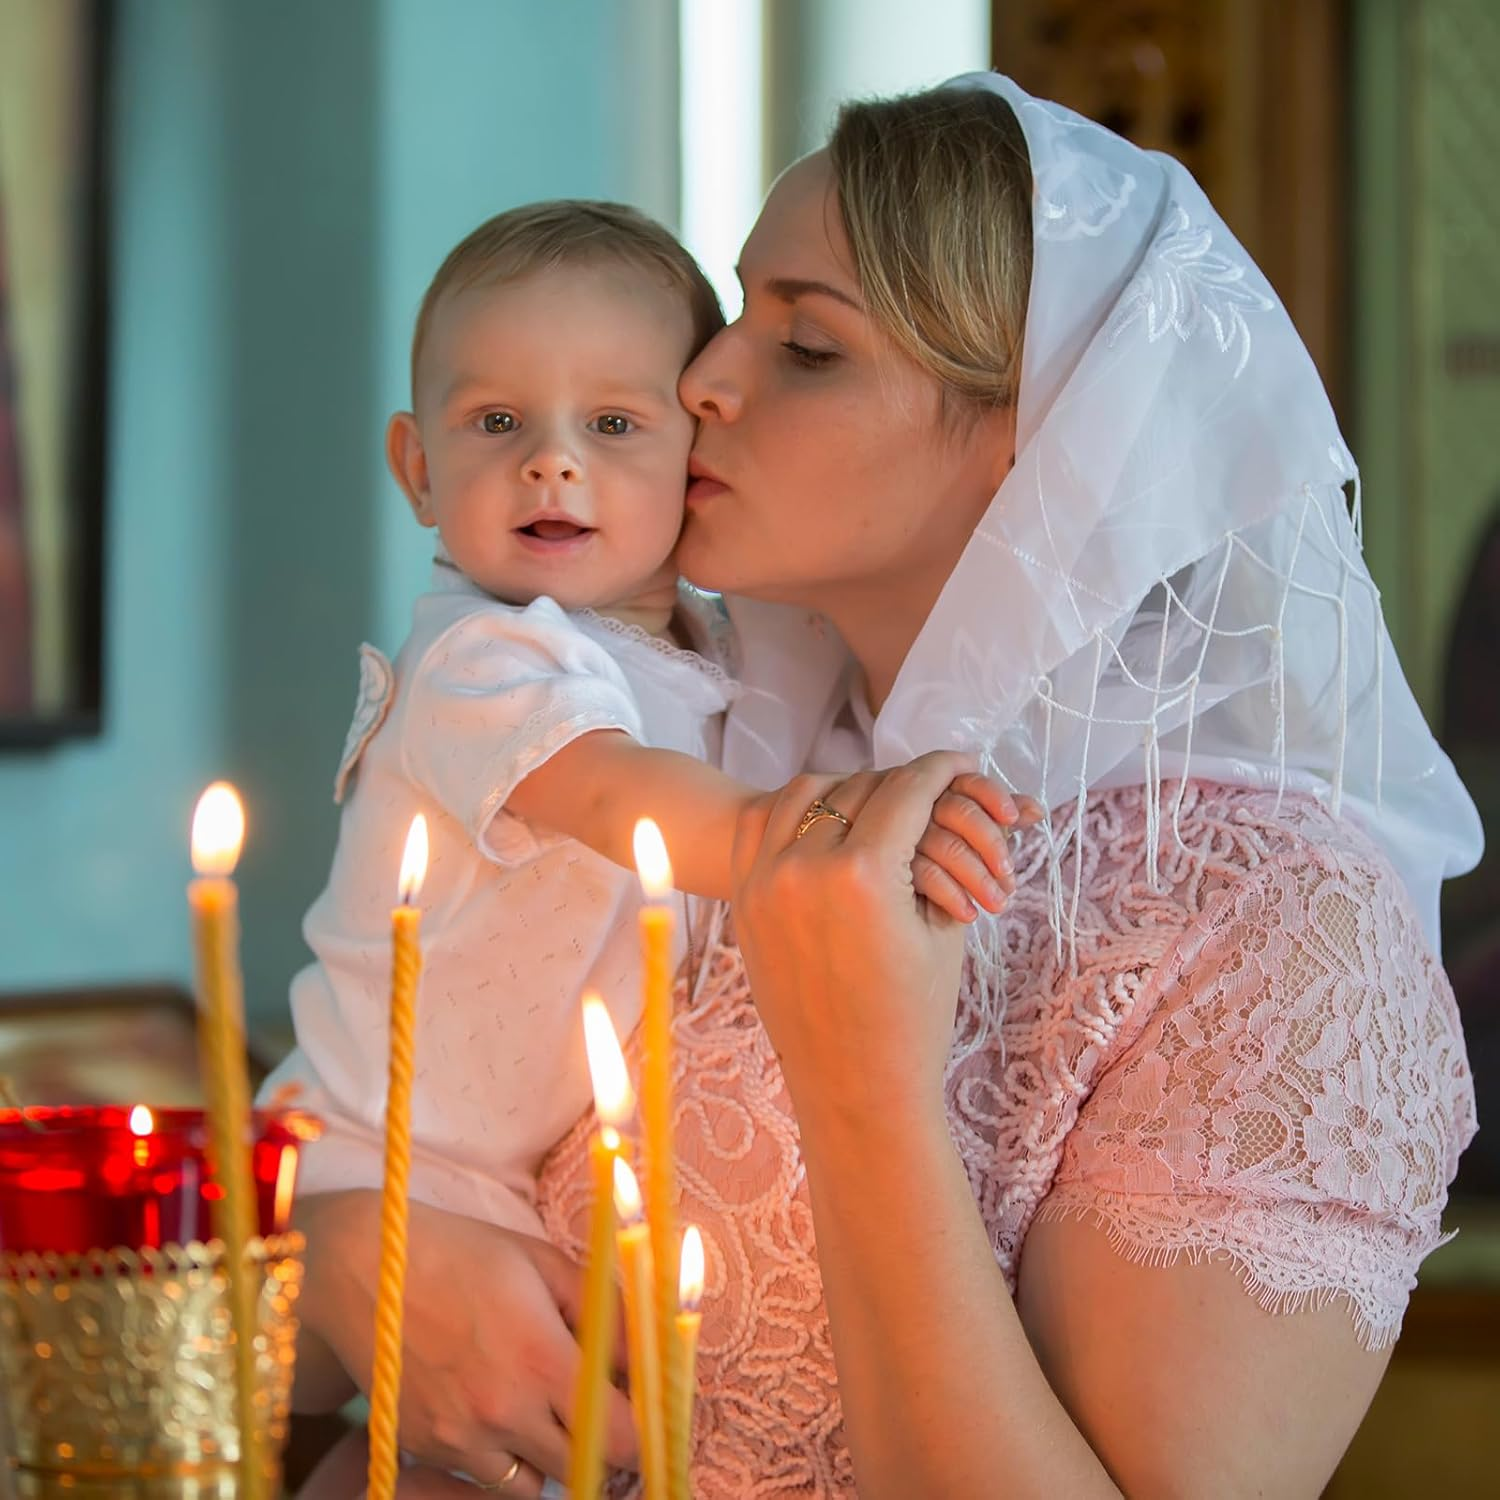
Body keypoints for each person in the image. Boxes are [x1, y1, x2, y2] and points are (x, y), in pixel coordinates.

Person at [295, 75, 1480, 1498]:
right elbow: (394, 1087)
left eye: (803, 345)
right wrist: (356, 1250)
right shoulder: (716, 734)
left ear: (1043, 443)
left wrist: (866, 1081)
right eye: (730, 313)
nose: (702, 380)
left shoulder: (1274, 936)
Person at [269, 202, 1020, 1249]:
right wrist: (836, 832)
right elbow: (615, 792)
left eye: (613, 426)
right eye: (497, 423)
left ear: (691, 458)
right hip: (372, 1147)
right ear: (418, 470)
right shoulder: (487, 655)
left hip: (524, 1168)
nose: (552, 464)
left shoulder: (717, 642)